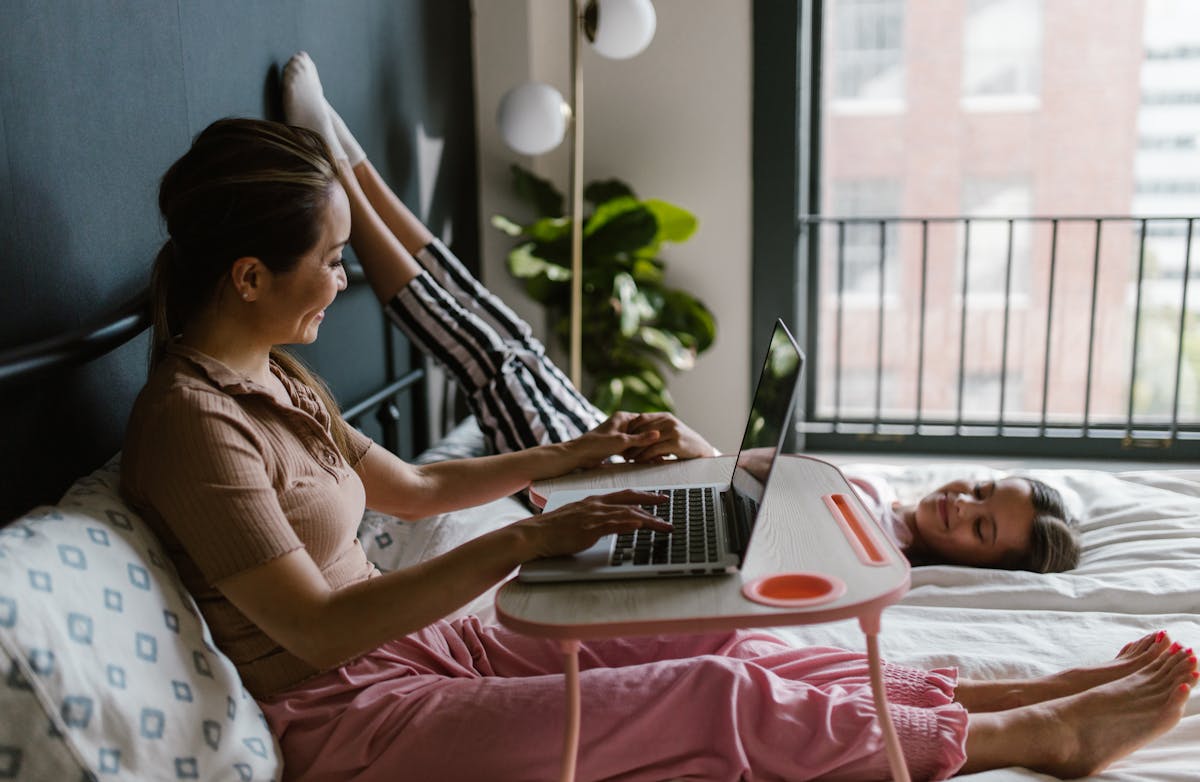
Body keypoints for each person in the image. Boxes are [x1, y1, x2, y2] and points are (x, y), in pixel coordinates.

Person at [118, 53, 1197, 782]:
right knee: (706, 692)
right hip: (345, 717)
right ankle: (1026, 733)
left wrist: (573, 451)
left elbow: (414, 486)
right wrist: (532, 537)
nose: (346, 281)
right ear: (253, 275)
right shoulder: (192, 423)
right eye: (334, 260)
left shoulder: (276, 375)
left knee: (714, 629)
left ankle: (1015, 685)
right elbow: (312, 626)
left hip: (418, 645)